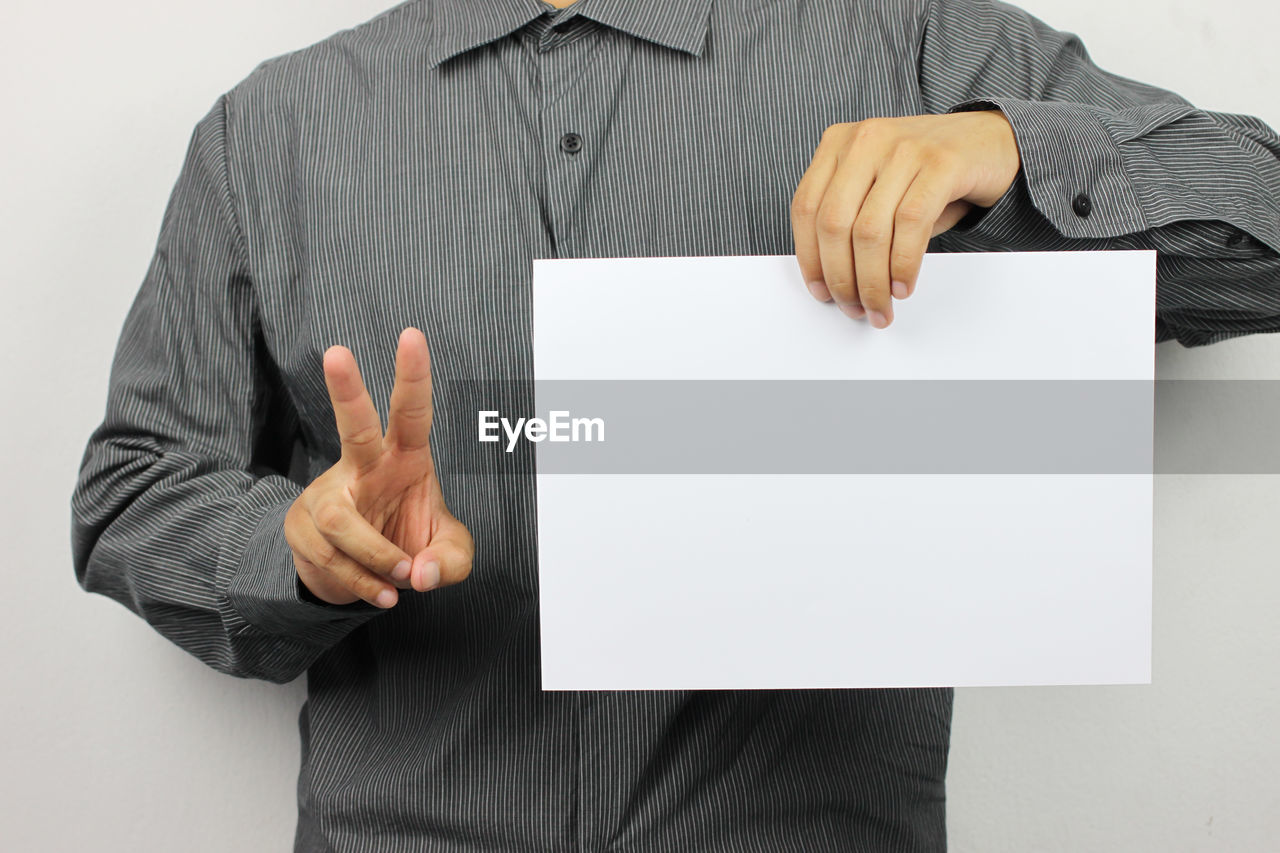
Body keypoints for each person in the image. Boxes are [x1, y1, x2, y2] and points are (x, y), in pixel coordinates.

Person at [70, 0, 1280, 849]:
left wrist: (1013, 150)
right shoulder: (270, 130)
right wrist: (295, 543)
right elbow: (132, 489)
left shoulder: (907, 46)